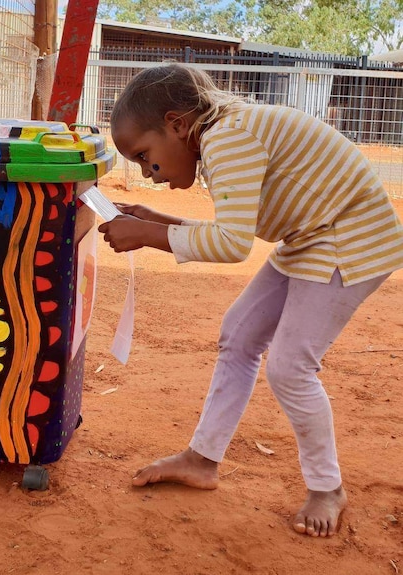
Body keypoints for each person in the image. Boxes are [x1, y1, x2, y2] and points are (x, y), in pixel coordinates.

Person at [98, 63, 403, 538]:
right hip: (310, 238)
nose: (148, 173)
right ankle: (202, 460)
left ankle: (327, 488)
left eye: (144, 155)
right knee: (239, 335)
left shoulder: (227, 139)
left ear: (178, 125)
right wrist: (156, 220)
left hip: (349, 239)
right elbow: (230, 233)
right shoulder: (225, 134)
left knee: (290, 366)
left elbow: (231, 245)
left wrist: (148, 234)